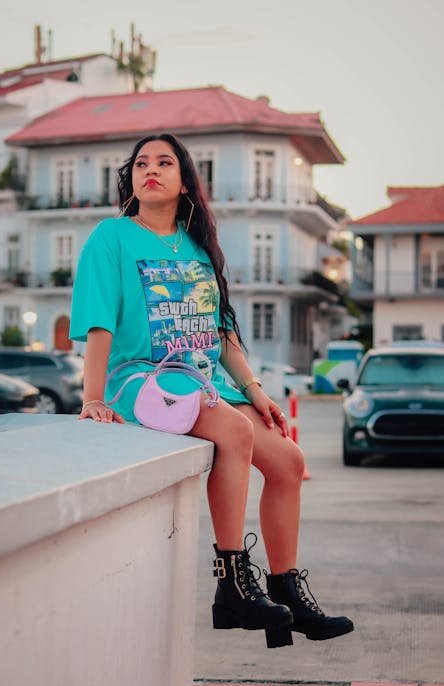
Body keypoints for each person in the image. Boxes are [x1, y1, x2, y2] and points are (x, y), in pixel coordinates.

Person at [70, 133, 353, 648]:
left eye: (163, 162)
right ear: (130, 178)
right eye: (140, 164)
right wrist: (93, 398)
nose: (149, 170)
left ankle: (285, 589)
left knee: (288, 460)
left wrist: (255, 389)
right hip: (142, 376)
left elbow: (222, 335)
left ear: (185, 182)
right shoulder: (111, 238)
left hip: (206, 378)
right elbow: (97, 325)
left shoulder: (199, 248)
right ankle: (231, 583)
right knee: (234, 430)